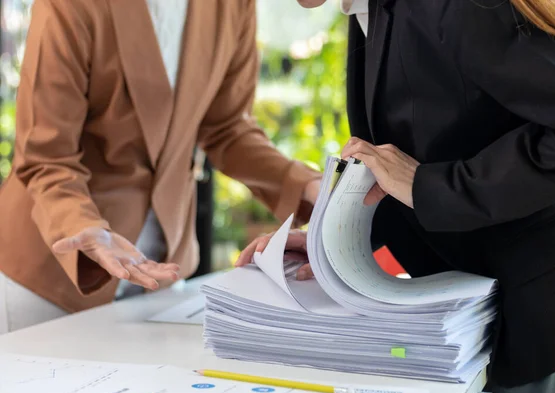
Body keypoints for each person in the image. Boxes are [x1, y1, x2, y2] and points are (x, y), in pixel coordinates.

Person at [237, 0, 555, 393]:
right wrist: (335, 246)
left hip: (534, 319)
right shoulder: (371, 9)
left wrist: (435, 186)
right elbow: (433, 145)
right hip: (473, 323)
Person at [0, 0, 322, 334]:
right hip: (55, 276)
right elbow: (46, 155)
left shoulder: (232, 5)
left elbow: (227, 128)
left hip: (161, 275)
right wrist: (85, 225)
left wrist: (308, 186)